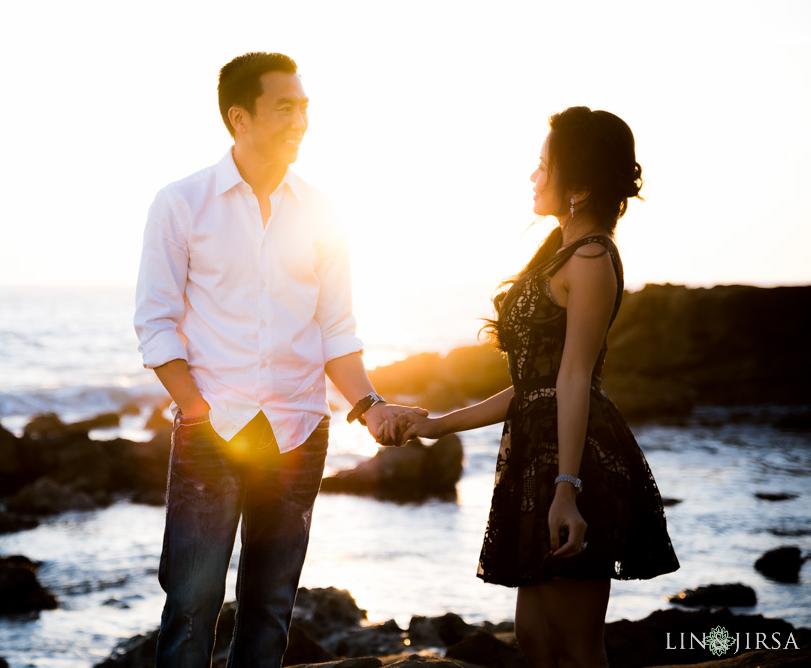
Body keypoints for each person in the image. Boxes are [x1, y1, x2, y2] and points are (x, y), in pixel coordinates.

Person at [134, 52, 424, 667]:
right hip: (212, 433)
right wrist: (195, 407)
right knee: (191, 604)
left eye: (305, 107)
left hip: (300, 432)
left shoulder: (324, 211)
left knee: (269, 608)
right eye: (285, 107)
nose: (301, 120)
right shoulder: (181, 203)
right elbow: (155, 324)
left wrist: (367, 405)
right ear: (240, 118)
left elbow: (336, 328)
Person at [396, 107, 679, 668]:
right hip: (537, 461)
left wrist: (567, 490)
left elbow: (574, 379)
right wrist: (436, 424)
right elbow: (534, 387)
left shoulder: (593, 258)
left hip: (572, 466)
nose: (533, 176)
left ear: (577, 183)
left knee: (575, 648)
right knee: (536, 642)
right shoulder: (563, 250)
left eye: (542, 166)